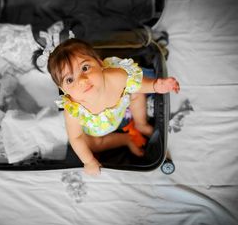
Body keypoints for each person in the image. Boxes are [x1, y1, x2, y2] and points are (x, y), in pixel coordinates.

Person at [47, 39, 180, 175]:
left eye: (85, 68)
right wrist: (88, 161)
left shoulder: (116, 77)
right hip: (97, 131)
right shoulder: (73, 111)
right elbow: (76, 138)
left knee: (136, 93)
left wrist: (155, 86)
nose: (82, 80)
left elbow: (138, 84)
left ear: (99, 63)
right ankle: (125, 139)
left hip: (121, 112)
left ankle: (141, 124)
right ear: (63, 89)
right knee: (92, 145)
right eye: (69, 80)